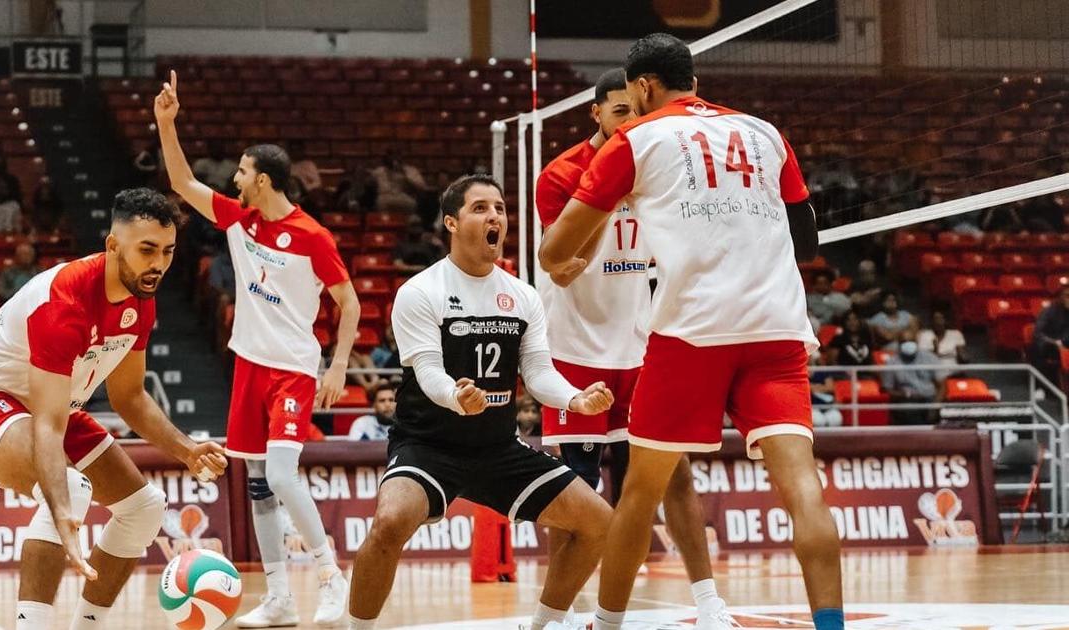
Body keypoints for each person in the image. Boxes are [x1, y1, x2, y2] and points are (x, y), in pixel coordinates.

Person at [539, 34, 843, 630]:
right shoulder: (764, 132)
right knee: (804, 490)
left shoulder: (634, 139)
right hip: (777, 330)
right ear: (694, 83)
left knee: (640, 493)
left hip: (692, 333)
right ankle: (830, 626)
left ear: (642, 86)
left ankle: (607, 624)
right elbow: (806, 242)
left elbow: (554, 255)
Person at [0, 188, 227, 630]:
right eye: (146, 249)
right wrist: (60, 509)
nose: (158, 263)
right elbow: (49, 426)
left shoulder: (141, 299)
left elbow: (129, 397)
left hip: (53, 402)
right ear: (113, 245)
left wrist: (186, 449)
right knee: (69, 491)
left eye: (168, 251)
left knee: (145, 508)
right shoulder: (64, 303)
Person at [348, 175, 616, 630]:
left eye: (500, 208)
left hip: (497, 447)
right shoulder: (420, 291)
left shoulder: (522, 295)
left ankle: (546, 624)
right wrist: (456, 396)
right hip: (428, 446)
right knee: (390, 522)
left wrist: (576, 399)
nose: (494, 216)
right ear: (451, 222)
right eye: (480, 208)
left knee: (599, 522)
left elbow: (537, 373)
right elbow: (428, 372)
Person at [155, 70, 360, 628]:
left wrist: (338, 365)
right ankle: (279, 598)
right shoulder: (239, 219)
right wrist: (166, 123)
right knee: (259, 485)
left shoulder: (313, 236)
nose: (235, 179)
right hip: (249, 366)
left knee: (285, 476)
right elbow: (181, 182)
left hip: (293, 369)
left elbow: (350, 304)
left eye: (243, 172)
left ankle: (330, 576)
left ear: (264, 179)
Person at [534, 67, 733, 627]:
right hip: (575, 347)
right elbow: (564, 267)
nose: (630, 121)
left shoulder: (658, 161)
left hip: (641, 344)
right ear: (595, 112)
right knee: (574, 491)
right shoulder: (560, 174)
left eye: (635, 111)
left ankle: (709, 604)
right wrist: (607, 188)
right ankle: (564, 610)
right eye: (618, 111)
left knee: (675, 474)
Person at [881, 336, 941, 425]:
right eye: (904, 341)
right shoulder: (892, 362)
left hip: (930, 398)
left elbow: (942, 386)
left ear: (916, 342)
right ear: (899, 344)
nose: (908, 344)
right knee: (909, 409)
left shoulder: (930, 358)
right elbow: (887, 389)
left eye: (911, 341)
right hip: (907, 399)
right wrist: (904, 394)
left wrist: (935, 406)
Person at [1030, 286, 1069, 384]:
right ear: (1059, 297)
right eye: (1067, 296)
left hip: (1065, 343)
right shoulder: (1048, 312)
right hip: (1049, 345)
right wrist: (1054, 342)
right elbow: (1038, 333)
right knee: (1037, 347)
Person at [370, 149, 429, 214]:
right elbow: (370, 182)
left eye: (396, 156)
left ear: (401, 157)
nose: (393, 158)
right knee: (381, 203)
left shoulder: (410, 170)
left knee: (412, 204)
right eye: (391, 155)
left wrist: (405, 176)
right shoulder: (379, 171)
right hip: (385, 197)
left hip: (404, 196)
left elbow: (422, 187)